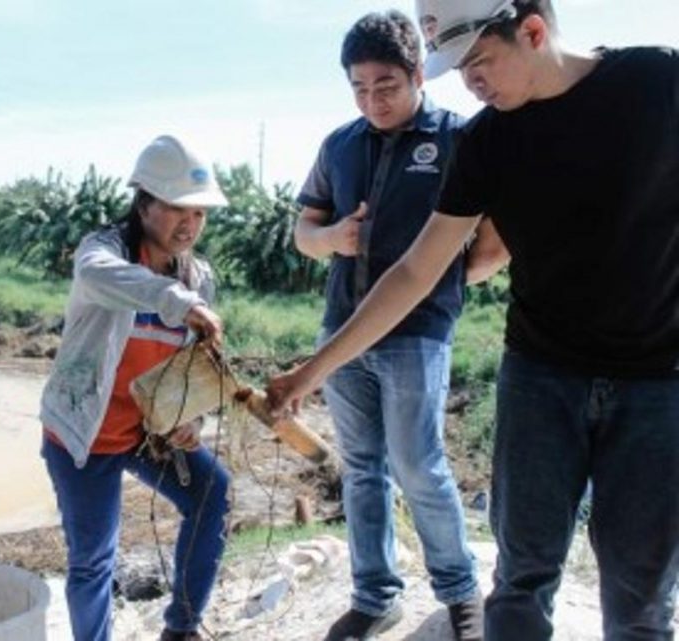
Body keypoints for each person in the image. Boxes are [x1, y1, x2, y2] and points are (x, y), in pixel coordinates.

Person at [268, 1, 679, 639]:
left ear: (534, 31)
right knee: (520, 581)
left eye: (480, 62)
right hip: (541, 379)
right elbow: (413, 271)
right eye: (459, 69)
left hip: (659, 385)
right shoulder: (487, 141)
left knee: (641, 598)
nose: (470, 82)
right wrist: (310, 372)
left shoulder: (656, 84)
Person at [291, 10, 507, 641]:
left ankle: (461, 592)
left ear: (419, 73)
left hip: (418, 336)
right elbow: (304, 233)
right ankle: (375, 595)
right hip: (341, 335)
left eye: (385, 85)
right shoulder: (338, 145)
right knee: (361, 468)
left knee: (419, 465)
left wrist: (436, 282)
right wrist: (331, 237)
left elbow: (495, 244)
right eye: (359, 88)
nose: (372, 100)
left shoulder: (459, 140)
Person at [39, 134, 231, 641]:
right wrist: (176, 300)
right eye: (176, 209)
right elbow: (98, 275)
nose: (189, 225)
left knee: (213, 492)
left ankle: (182, 627)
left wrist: (189, 419)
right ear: (144, 203)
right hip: (87, 433)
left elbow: (187, 366)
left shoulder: (198, 276)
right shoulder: (104, 252)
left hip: (149, 431)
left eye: (200, 214)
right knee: (93, 561)